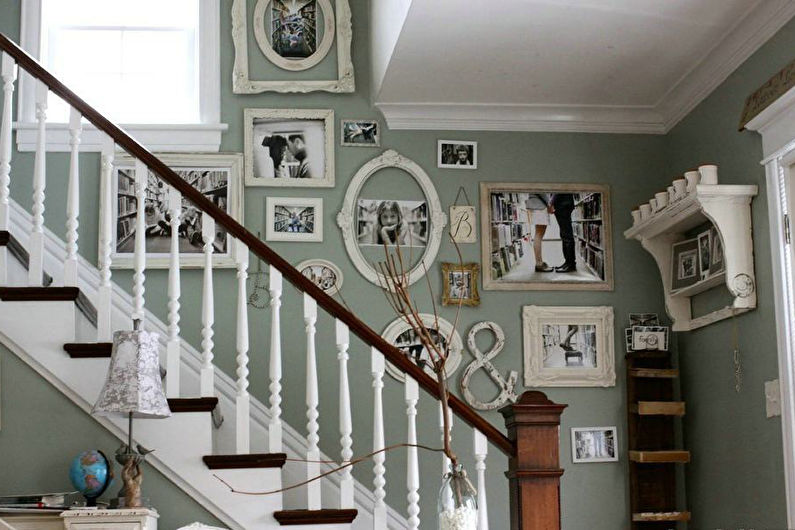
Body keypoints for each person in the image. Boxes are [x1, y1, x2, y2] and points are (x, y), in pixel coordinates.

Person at [525, 193, 553, 272]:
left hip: (537, 205)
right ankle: (539, 263)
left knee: (539, 234)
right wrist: (549, 204)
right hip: (539, 206)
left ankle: (539, 262)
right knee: (539, 234)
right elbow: (541, 190)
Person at [549, 193, 576, 273]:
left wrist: (551, 202)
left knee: (566, 235)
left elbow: (557, 189)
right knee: (564, 235)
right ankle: (567, 262)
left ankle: (571, 264)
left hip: (563, 204)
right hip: (563, 204)